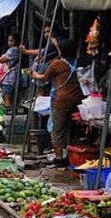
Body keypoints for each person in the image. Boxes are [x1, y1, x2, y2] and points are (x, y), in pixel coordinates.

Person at [31, 37, 84, 167]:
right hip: (78, 101)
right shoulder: (79, 62)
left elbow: (43, 78)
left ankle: (59, 159)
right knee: (68, 129)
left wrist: (33, 75)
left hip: (61, 102)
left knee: (57, 131)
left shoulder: (57, 64)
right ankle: (68, 155)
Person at [0, 34, 19, 108]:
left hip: (10, 77)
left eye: (11, 41)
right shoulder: (11, 50)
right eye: (8, 41)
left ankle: (8, 111)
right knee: (5, 95)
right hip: (7, 76)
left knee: (7, 97)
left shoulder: (14, 49)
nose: (9, 42)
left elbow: (4, 59)